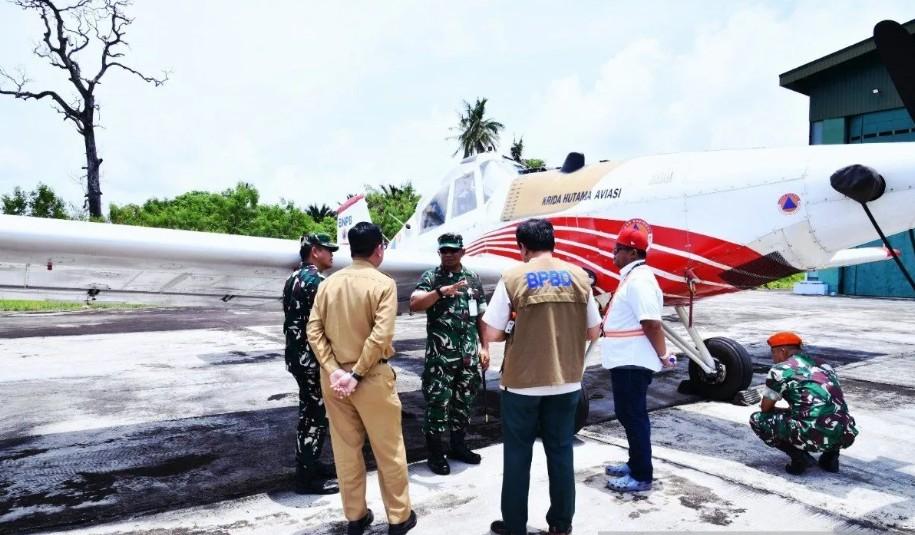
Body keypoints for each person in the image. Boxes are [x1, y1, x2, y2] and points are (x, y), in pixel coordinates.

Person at [481, 218, 601, 535]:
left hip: (522, 384)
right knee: (561, 453)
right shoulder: (579, 277)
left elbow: (491, 332)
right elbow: (594, 330)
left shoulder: (513, 277)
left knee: (518, 457)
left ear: (522, 247)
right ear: (553, 242)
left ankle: (515, 526)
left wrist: (514, 326)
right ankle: (561, 524)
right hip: (567, 381)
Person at [306, 222, 417, 535]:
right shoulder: (383, 284)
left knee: (345, 451)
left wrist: (334, 370)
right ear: (378, 249)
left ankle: (355, 518)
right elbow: (380, 335)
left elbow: (313, 331)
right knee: (389, 451)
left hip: (335, 380)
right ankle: (398, 518)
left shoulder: (327, 283)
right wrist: (356, 373)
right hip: (370, 379)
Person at [601, 224, 675, 493]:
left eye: (617, 249)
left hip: (633, 362)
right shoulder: (632, 277)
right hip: (625, 360)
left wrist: (664, 354)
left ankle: (642, 475)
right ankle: (635, 463)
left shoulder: (640, 280)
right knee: (628, 415)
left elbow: (651, 323)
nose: (613, 254)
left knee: (633, 416)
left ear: (632, 252)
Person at [409, 233, 489, 476]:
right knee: (438, 404)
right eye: (444, 250)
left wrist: (484, 348)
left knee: (462, 403)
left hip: (467, 357)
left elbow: (481, 316)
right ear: (439, 253)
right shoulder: (432, 277)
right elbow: (414, 303)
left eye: (453, 250)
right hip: (440, 358)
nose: (449, 254)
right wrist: (440, 292)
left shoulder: (473, 279)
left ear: (462, 252)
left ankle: (458, 446)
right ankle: (435, 454)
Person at [750, 331, 858, 475]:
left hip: (812, 434)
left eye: (773, 353)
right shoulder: (824, 365)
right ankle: (831, 458)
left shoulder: (780, 370)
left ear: (782, 351)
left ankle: (799, 457)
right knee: (832, 414)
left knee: (758, 419)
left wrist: (777, 409)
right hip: (844, 432)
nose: (773, 358)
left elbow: (765, 408)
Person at [281, 232, 340, 495]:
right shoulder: (318, 281)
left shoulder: (292, 277)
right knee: (316, 415)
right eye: (328, 250)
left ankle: (310, 464)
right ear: (315, 251)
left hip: (296, 355)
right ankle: (306, 478)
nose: (332, 255)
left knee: (310, 410)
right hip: (311, 358)